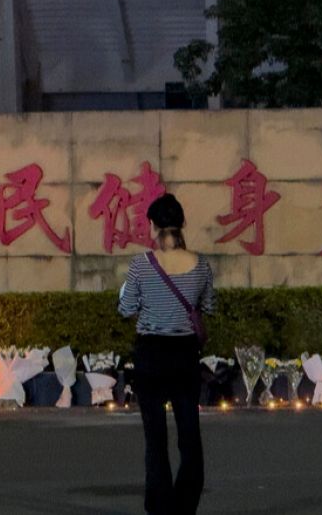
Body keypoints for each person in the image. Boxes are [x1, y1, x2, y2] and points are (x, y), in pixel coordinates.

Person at [118, 193, 215, 515]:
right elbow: (208, 307)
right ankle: (185, 504)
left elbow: (126, 308)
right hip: (185, 355)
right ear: (182, 223)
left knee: (155, 436)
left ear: (152, 226)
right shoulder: (201, 265)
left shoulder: (141, 265)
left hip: (151, 355)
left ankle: (160, 506)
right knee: (189, 434)